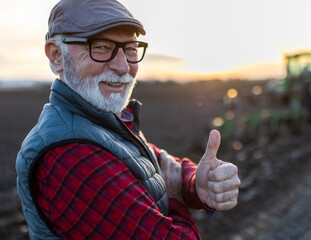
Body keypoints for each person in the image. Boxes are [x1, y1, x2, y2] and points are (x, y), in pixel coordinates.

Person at [16, 0, 241, 239]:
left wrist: (196, 183)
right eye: (101, 47)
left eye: (131, 49)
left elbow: (156, 163)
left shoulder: (104, 122)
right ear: (56, 55)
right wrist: (176, 196)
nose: (124, 67)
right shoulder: (70, 153)